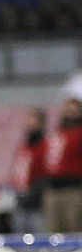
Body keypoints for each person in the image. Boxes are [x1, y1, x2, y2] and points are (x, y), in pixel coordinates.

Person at [44, 98, 82, 233]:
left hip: (73, 189)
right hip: (53, 188)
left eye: (74, 110)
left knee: (73, 228)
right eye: (68, 109)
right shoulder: (58, 133)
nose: (71, 113)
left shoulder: (79, 133)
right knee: (54, 230)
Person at [9, 107, 47, 234]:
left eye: (34, 119)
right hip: (21, 199)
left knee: (38, 234)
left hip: (37, 202)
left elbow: (46, 173)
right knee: (19, 234)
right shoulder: (24, 147)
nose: (30, 123)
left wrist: (35, 192)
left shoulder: (44, 146)